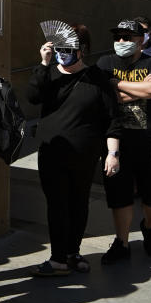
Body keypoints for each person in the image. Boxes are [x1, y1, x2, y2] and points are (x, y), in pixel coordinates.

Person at [27, 22, 121, 275]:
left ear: (83, 49)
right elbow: (32, 96)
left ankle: (72, 252)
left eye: (69, 48)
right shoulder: (49, 74)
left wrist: (112, 153)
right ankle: (58, 258)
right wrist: (44, 63)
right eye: (59, 47)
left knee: (79, 203)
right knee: (57, 205)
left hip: (84, 155)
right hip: (52, 152)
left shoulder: (97, 79)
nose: (63, 52)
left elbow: (112, 119)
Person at [96, 19, 151, 263]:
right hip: (116, 141)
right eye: (118, 37)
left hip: (148, 141)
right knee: (119, 195)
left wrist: (116, 85)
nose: (121, 42)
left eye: (127, 38)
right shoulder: (105, 63)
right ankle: (122, 242)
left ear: (141, 40)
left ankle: (149, 227)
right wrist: (136, 89)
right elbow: (104, 96)